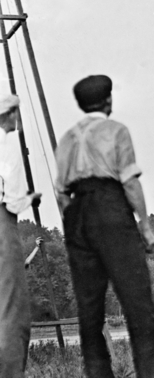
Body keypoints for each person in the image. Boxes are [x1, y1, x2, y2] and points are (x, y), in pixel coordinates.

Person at [55, 75, 154, 378]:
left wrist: (74, 223)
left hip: (78, 212)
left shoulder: (67, 138)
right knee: (137, 305)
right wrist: (144, 224)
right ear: (108, 100)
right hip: (112, 207)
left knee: (90, 312)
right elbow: (128, 180)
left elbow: (61, 192)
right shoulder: (117, 131)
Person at [0, 95, 41, 378]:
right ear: (8, 115)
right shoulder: (4, 146)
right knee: (13, 314)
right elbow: (11, 200)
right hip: (3, 223)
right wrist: (31, 199)